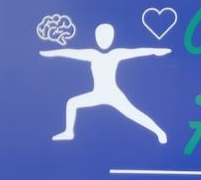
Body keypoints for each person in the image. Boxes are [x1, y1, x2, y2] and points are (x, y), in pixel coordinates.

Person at [40, 23, 170, 143]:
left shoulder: (116, 54)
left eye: (107, 36)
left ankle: (159, 132)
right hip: (97, 94)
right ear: (96, 37)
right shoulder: (92, 54)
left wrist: (156, 51)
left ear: (112, 37)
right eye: (100, 36)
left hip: (113, 94)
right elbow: (70, 52)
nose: (103, 40)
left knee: (134, 113)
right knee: (72, 103)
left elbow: (136, 51)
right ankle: (69, 132)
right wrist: (50, 53)